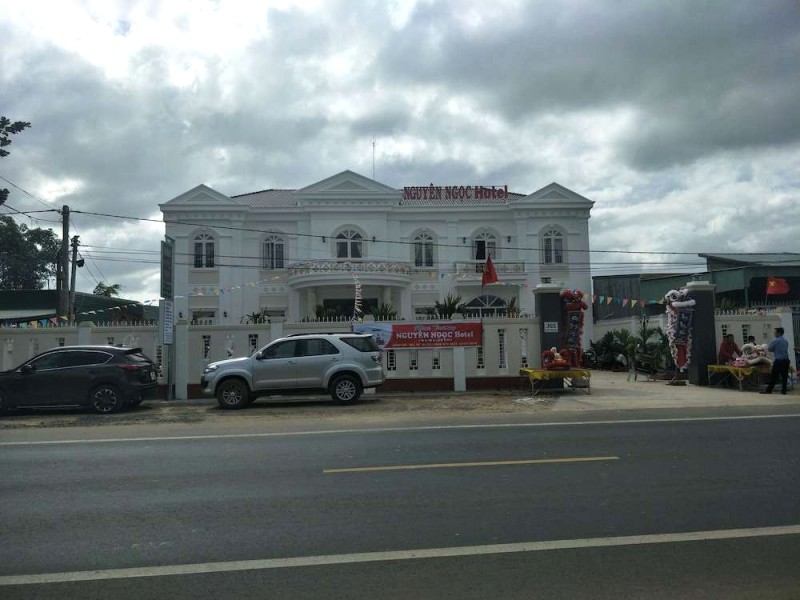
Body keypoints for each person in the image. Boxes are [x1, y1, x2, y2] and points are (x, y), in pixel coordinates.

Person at [761, 327, 790, 395]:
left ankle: (769, 390)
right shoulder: (785, 341)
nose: (774, 333)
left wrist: (775, 350)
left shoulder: (775, 340)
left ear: (779, 333)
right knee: (784, 376)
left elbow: (769, 349)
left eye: (775, 332)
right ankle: (784, 390)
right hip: (786, 360)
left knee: (774, 376)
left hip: (779, 361)